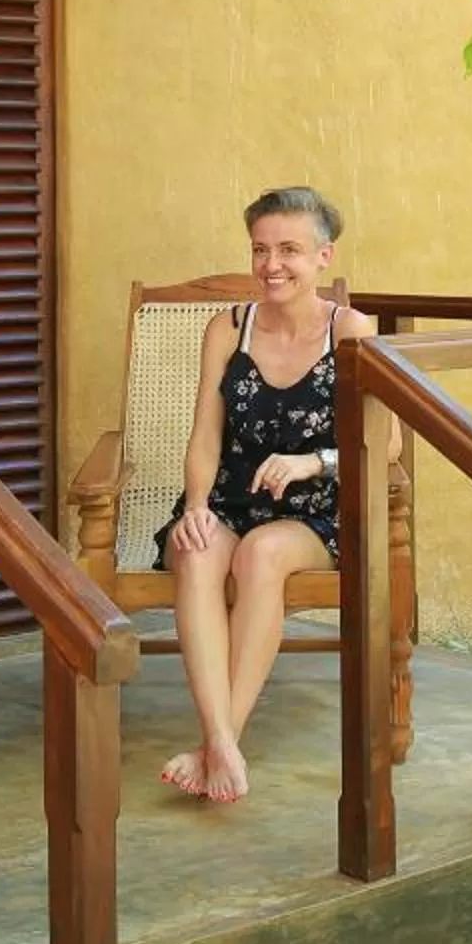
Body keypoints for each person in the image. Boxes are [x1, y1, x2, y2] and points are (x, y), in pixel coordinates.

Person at [152, 186, 387, 803]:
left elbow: (385, 445)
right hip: (228, 499)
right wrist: (196, 505)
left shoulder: (350, 330)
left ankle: (217, 744)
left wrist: (313, 462)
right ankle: (221, 745)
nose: (271, 264)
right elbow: (206, 434)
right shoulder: (227, 329)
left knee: (261, 554)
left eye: (289, 250)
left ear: (323, 257)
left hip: (313, 513)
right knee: (197, 550)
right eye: (260, 249)